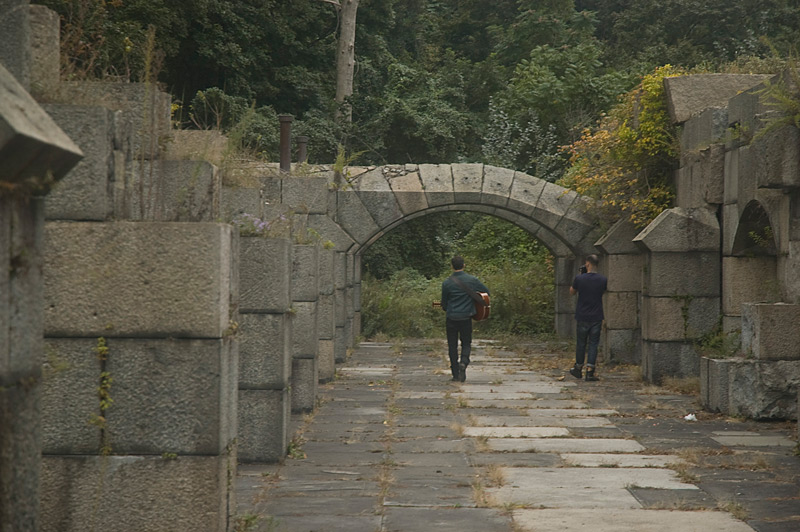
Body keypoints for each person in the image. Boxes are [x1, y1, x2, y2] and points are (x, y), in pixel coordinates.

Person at [440, 256, 490, 382]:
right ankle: (464, 362)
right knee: (466, 343)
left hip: (451, 318)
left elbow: (444, 304)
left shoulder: (446, 283)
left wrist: (450, 309)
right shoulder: (472, 280)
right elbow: (486, 293)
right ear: (464, 265)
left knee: (452, 345)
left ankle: (455, 374)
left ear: (452, 266)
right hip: (466, 317)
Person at [569, 254, 607, 382]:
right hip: (596, 315)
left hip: (582, 315)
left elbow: (572, 292)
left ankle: (578, 368)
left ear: (587, 264)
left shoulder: (580, 279)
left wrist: (581, 275)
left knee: (581, 343)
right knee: (593, 344)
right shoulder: (603, 279)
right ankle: (590, 372)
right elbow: (602, 292)